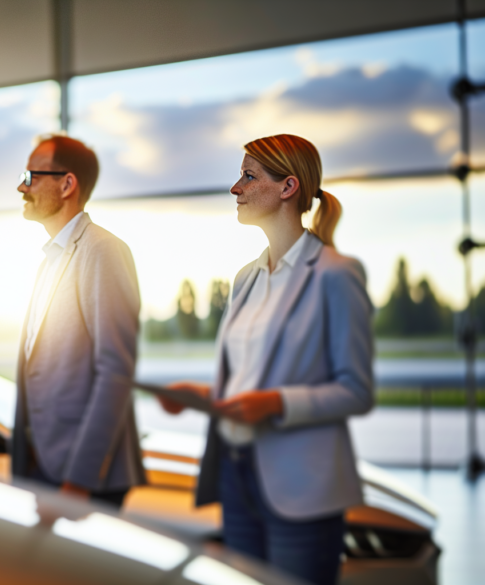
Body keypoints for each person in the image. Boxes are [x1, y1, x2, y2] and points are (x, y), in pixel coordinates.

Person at [161, 134, 374, 585]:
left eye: (248, 176)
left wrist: (276, 404)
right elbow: (246, 382)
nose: (235, 188)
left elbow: (356, 390)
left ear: (288, 187)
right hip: (238, 473)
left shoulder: (336, 274)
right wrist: (203, 395)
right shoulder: (247, 279)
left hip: (302, 486)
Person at [10, 134, 145, 508]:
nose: (22, 186)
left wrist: (79, 481)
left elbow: (115, 371)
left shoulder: (103, 251)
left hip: (82, 478)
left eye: (32, 175)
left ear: (68, 184)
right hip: (45, 467)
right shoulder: (48, 261)